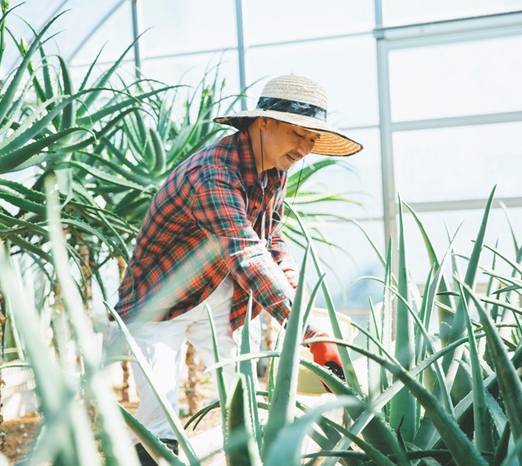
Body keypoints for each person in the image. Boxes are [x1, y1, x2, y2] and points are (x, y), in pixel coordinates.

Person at [114, 74, 363, 465]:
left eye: (313, 140)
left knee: (240, 399)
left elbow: (272, 241)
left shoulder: (274, 172)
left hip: (216, 297)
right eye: (299, 133)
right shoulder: (213, 176)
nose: (305, 148)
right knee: (159, 417)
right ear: (264, 121)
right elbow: (246, 254)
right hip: (158, 304)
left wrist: (300, 304)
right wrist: (308, 331)